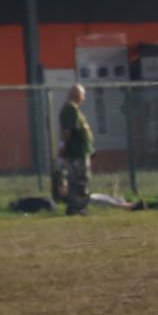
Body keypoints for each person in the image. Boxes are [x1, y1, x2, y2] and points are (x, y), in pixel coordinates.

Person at [54, 84, 93, 216]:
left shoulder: (73, 108)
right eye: (83, 95)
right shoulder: (70, 109)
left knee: (78, 180)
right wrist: (63, 147)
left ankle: (77, 207)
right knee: (79, 181)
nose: (84, 98)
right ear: (77, 95)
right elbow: (67, 131)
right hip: (76, 153)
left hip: (80, 152)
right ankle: (78, 208)